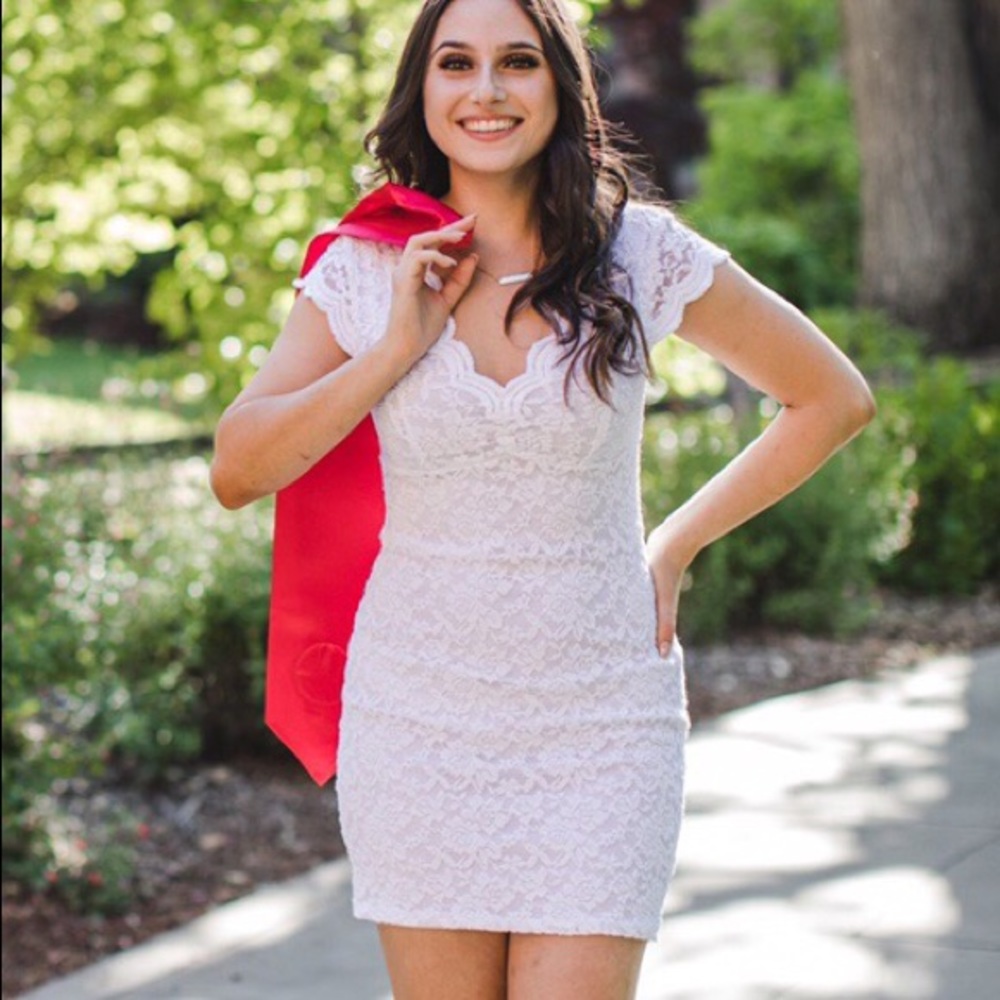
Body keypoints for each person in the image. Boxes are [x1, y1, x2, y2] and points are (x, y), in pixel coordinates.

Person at [210, 0, 876, 996]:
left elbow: (831, 397)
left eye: (516, 62)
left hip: (602, 718)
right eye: (456, 63)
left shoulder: (639, 254)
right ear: (421, 89)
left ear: (560, 86)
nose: (485, 90)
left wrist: (675, 544)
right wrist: (395, 348)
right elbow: (238, 467)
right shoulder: (365, 265)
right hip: (418, 717)